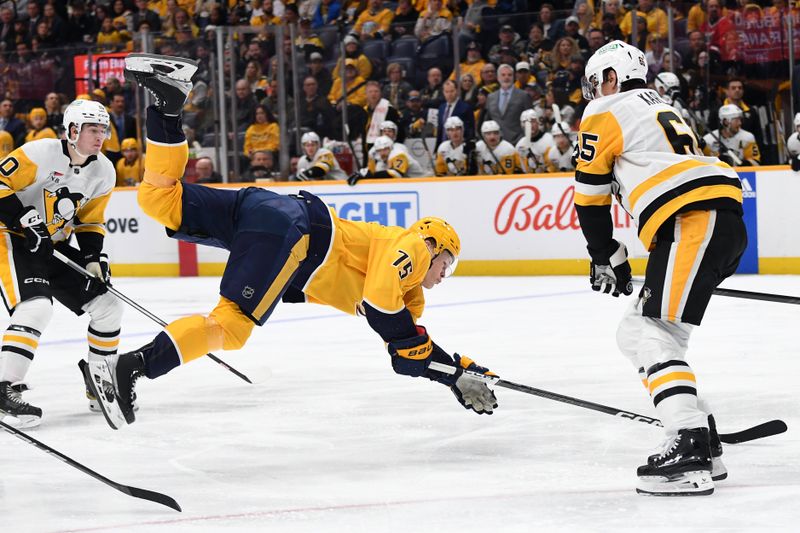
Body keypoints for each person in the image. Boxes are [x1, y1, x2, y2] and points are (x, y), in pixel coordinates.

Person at [88, 54, 498, 430]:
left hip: (271, 212)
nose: (446, 273)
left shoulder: (409, 293)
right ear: (434, 244)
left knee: (161, 198)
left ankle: (168, 103)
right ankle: (130, 368)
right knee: (231, 326)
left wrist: (456, 371)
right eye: (449, 261)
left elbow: (406, 350)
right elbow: (381, 307)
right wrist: (449, 371)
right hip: (294, 233)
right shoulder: (413, 246)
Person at [575, 40, 746, 496]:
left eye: (596, 81)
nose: (594, 91)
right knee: (653, 334)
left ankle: (689, 444)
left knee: (643, 332)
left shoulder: (604, 111)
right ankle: (701, 440)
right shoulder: (657, 104)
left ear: (611, 77)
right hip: (715, 221)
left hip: (691, 223)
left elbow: (588, 197)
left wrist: (604, 253)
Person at [0, 99, 125, 428]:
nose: (100, 136)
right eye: (93, 129)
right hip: (9, 238)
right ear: (72, 130)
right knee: (37, 307)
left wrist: (94, 257)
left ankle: (100, 378)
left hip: (49, 245)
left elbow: (90, 221)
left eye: (103, 130)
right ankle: (3, 387)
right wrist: (24, 218)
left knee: (109, 306)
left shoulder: (104, 171)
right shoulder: (40, 153)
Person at [484, 64, 533, 144]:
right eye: (503, 75)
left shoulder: (523, 96)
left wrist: (524, 139)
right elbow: (487, 120)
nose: (506, 77)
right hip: (496, 143)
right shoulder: (491, 97)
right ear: (498, 77)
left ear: (513, 77)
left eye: (509, 75)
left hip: (518, 142)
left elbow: (529, 120)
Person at [351, 134, 425, 183]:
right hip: (409, 184)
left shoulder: (398, 154)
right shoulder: (375, 155)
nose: (382, 153)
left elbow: (396, 174)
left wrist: (368, 175)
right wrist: (361, 174)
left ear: (390, 148)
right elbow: (371, 172)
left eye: (385, 149)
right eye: (379, 150)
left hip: (422, 182)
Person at [436, 80, 474, 147]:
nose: (449, 94)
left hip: (459, 145)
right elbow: (440, 129)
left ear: (456, 91)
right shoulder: (441, 107)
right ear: (443, 92)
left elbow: (470, 129)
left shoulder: (465, 107)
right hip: (443, 146)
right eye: (446, 92)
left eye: (451, 91)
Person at [516, 109, 553, 173]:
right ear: (522, 125)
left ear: (538, 122)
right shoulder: (520, 145)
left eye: (532, 121)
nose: (530, 125)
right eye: (526, 122)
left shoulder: (550, 139)